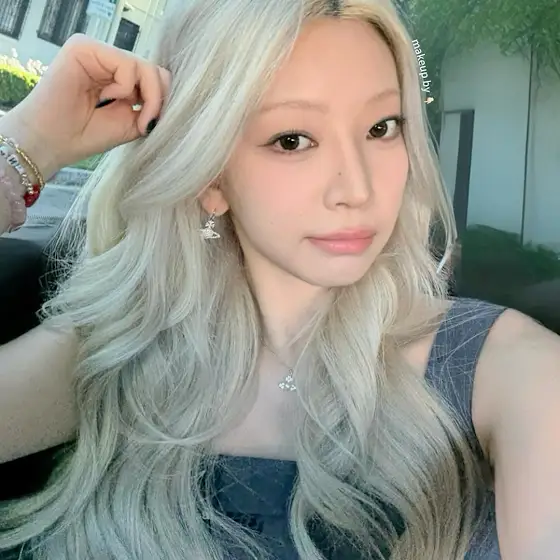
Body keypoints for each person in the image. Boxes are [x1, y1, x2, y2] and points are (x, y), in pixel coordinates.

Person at [0, 0, 559, 558]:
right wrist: (27, 144)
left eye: (381, 128)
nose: (357, 189)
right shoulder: (113, 355)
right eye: (293, 140)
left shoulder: (504, 370)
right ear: (210, 176)